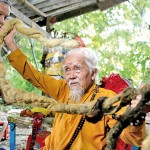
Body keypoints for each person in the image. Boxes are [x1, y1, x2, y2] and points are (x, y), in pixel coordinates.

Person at [3, 27, 146, 149]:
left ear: (93, 73)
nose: (71, 75)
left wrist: (135, 118)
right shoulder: (63, 89)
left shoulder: (107, 99)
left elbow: (131, 137)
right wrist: (10, 42)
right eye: (67, 69)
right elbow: (34, 76)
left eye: (77, 69)